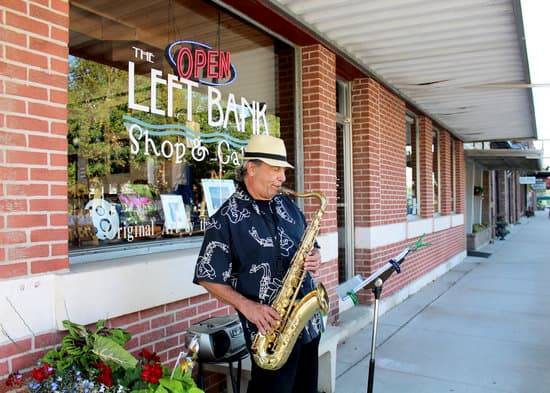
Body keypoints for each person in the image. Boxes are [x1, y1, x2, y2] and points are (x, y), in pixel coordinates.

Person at [193, 134, 324, 393]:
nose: (282, 178)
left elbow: (309, 242)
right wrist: (247, 307)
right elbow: (207, 275)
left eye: (283, 171)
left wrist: (315, 256)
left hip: (307, 325)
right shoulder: (225, 219)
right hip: (270, 334)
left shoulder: (287, 204)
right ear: (251, 168)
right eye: (275, 169)